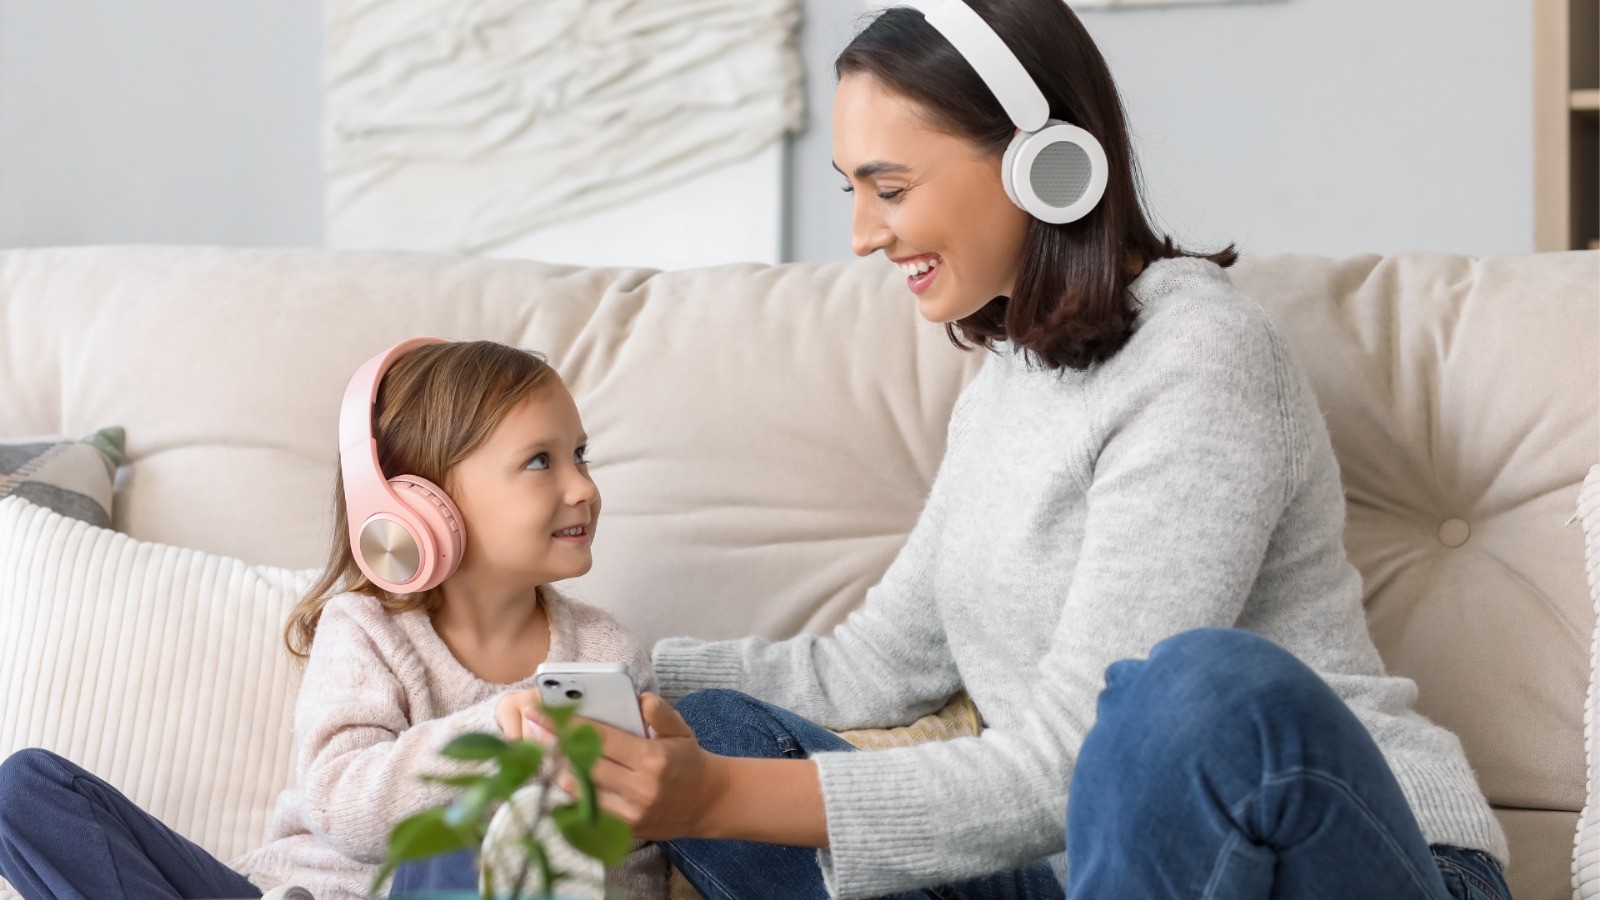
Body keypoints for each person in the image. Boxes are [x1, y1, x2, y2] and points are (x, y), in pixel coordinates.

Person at [521, 2, 1513, 899]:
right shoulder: (1010, 379)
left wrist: (715, 801)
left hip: (1347, 859)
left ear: (1046, 165)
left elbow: (1070, 762)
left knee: (1196, 685)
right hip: (1087, 871)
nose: (864, 233)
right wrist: (582, 663)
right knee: (722, 729)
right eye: (852, 191)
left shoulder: (1203, 357)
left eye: (890, 187)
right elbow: (873, 666)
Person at [0, 339, 666, 900]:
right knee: (26, 789)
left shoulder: (605, 652)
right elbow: (343, 806)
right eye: (541, 462)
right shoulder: (366, 629)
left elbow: (635, 859)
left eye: (580, 454)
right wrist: (496, 733)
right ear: (420, 504)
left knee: (456, 843)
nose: (582, 487)